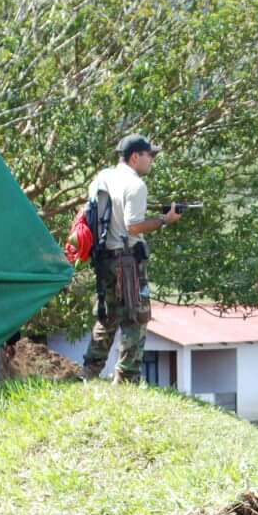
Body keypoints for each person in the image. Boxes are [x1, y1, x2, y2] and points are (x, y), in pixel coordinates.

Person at [82, 134, 181, 383]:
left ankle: (89, 372)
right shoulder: (136, 185)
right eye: (150, 155)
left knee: (107, 315)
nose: (152, 160)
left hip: (104, 259)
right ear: (135, 156)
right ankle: (126, 377)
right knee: (136, 317)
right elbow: (133, 226)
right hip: (128, 261)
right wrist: (163, 220)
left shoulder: (102, 177)